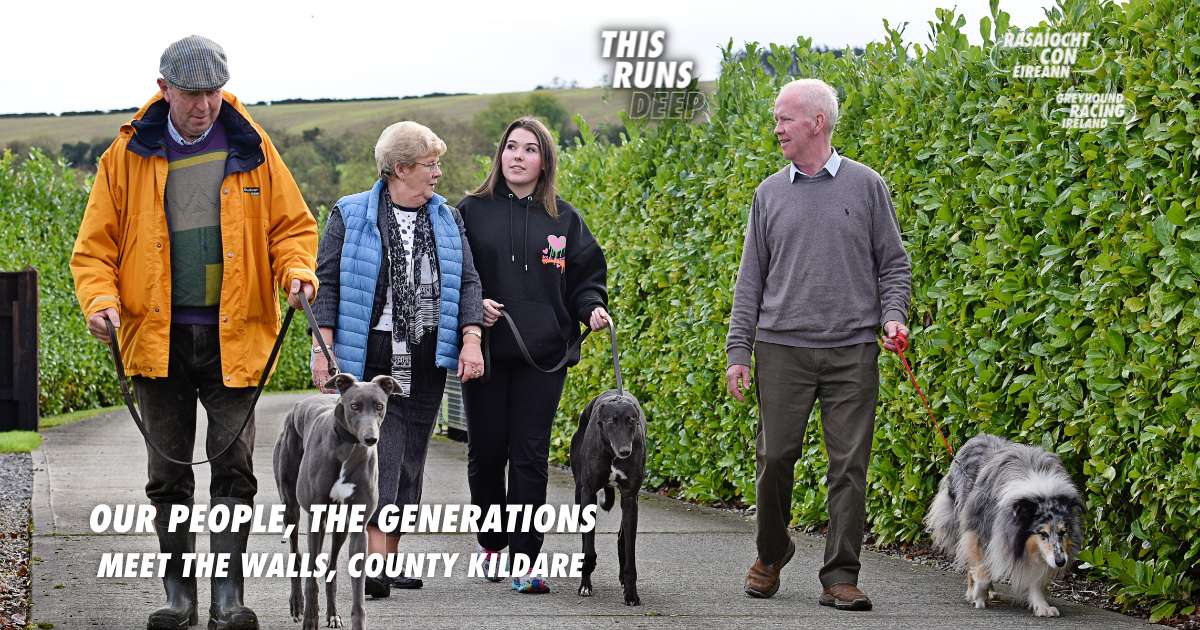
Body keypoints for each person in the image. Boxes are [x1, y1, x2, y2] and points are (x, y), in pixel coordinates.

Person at [70, 35, 318, 630]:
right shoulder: (125, 156)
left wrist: (298, 271)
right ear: (164, 90)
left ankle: (228, 600)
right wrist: (100, 302)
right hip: (157, 341)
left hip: (239, 335)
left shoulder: (253, 146)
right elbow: (95, 248)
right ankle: (179, 599)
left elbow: (292, 228)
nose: (203, 105)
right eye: (190, 94)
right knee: (168, 474)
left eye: (211, 92)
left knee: (234, 471)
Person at [725, 79, 912, 611]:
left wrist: (893, 316)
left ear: (818, 122)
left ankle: (840, 575)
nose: (777, 126)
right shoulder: (769, 194)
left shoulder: (867, 186)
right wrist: (740, 352)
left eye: (785, 117)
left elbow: (894, 265)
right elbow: (750, 282)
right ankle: (771, 550)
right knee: (774, 456)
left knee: (850, 465)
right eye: (776, 117)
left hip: (853, 349)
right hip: (781, 348)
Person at [310, 120, 485, 598]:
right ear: (401, 168)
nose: (437, 173)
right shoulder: (350, 214)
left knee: (410, 460)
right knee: (374, 456)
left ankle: (386, 559)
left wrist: (470, 338)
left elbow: (469, 282)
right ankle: (369, 565)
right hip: (371, 351)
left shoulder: (447, 218)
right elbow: (326, 284)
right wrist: (322, 351)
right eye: (430, 165)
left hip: (427, 351)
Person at [457, 117, 609, 594]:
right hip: (484, 353)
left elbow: (586, 278)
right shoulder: (469, 211)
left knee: (529, 455)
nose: (517, 156)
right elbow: (454, 274)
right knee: (486, 453)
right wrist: (471, 307)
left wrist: (593, 309)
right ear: (500, 155)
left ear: (545, 162)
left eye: (529, 149)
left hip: (543, 358)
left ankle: (525, 558)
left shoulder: (565, 219)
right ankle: (491, 543)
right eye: (510, 147)